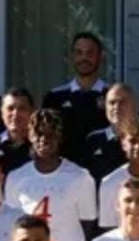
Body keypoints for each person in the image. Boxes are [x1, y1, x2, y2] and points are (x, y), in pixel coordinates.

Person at [4, 109, 99, 241]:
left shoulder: (80, 177)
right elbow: (13, 226)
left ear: (60, 137)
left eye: (50, 134)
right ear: (29, 136)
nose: (44, 139)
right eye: (38, 134)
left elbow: (88, 223)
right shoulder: (16, 178)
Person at [41, 32, 110, 163]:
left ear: (101, 57)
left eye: (90, 53)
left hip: (105, 171)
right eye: (79, 53)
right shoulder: (54, 97)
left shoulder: (113, 97)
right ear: (71, 57)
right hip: (66, 174)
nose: (84, 58)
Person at [80, 82, 137, 182]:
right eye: (112, 102)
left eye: (122, 102)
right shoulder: (93, 140)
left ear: (134, 106)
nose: (116, 107)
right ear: (105, 108)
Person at [0, 88, 35, 174]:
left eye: (22, 108)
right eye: (10, 108)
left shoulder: (40, 145)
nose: (15, 113)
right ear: (2, 113)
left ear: (32, 112)